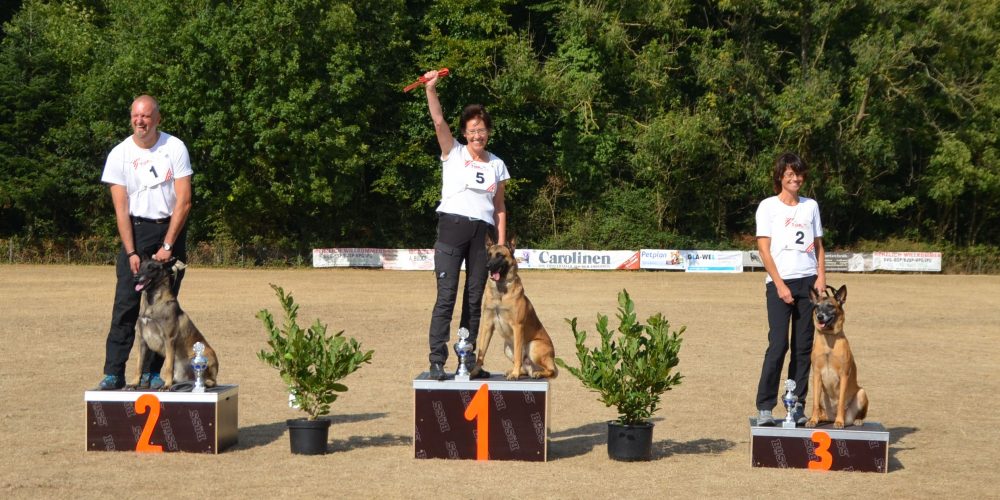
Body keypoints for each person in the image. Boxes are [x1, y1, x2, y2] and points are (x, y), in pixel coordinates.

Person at [96, 95, 193, 390]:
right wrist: (131, 252)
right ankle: (114, 372)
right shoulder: (119, 154)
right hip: (135, 232)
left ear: (157, 119)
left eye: (147, 116)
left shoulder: (174, 148)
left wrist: (167, 245)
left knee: (163, 309)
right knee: (125, 305)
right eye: (136, 116)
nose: (141, 121)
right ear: (131, 118)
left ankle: (153, 373)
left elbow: (184, 201)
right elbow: (120, 208)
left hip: (169, 231)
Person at [422, 69, 508, 380]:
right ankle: (437, 359)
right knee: (446, 296)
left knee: (474, 299)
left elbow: (499, 208)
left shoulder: (497, 164)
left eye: (482, 130)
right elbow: (438, 122)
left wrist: (501, 245)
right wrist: (431, 90)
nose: (477, 135)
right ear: (464, 132)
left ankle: (468, 359)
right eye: (472, 130)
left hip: (480, 238)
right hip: (452, 229)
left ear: (488, 132)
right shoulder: (453, 152)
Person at [754, 152, 826, 425]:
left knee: (803, 346)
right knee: (778, 344)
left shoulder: (811, 206)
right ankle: (765, 407)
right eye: (789, 175)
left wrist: (821, 277)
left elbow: (818, 246)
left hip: (808, 282)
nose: (795, 179)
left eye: (798, 174)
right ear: (781, 178)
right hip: (779, 283)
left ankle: (796, 404)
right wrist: (781, 284)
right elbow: (763, 248)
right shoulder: (768, 206)